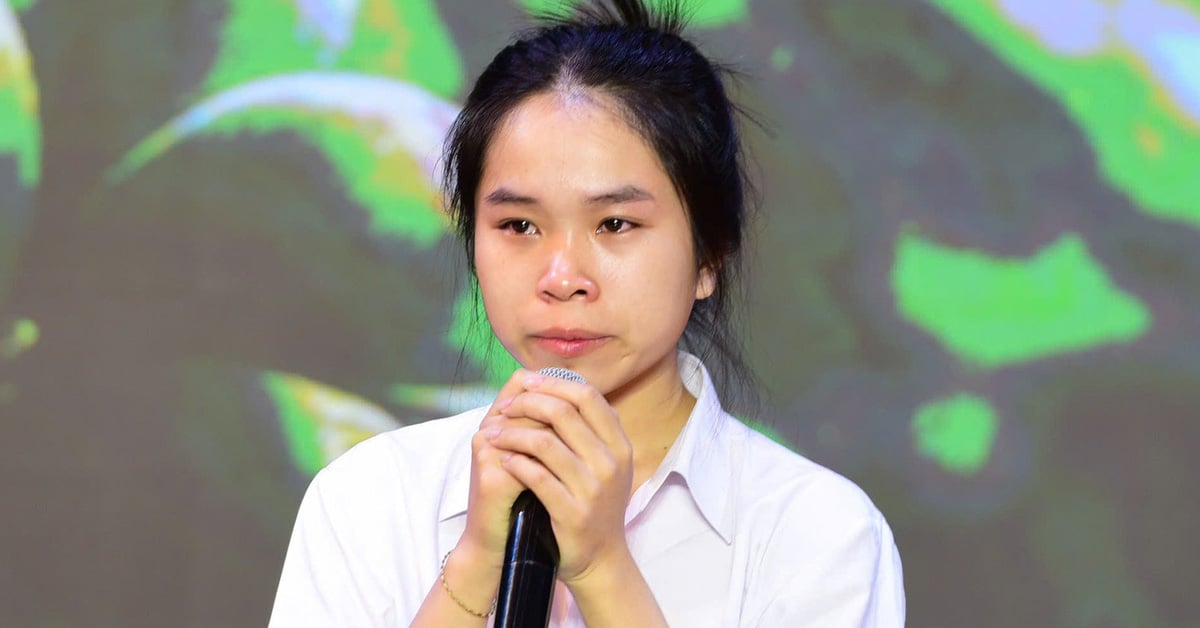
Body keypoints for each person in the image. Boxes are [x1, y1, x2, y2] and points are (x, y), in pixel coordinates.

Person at [268, 0, 905, 625]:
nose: (562, 277)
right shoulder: (368, 498)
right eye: (518, 224)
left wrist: (602, 567)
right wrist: (475, 562)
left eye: (615, 224)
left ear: (709, 253)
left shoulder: (823, 535)